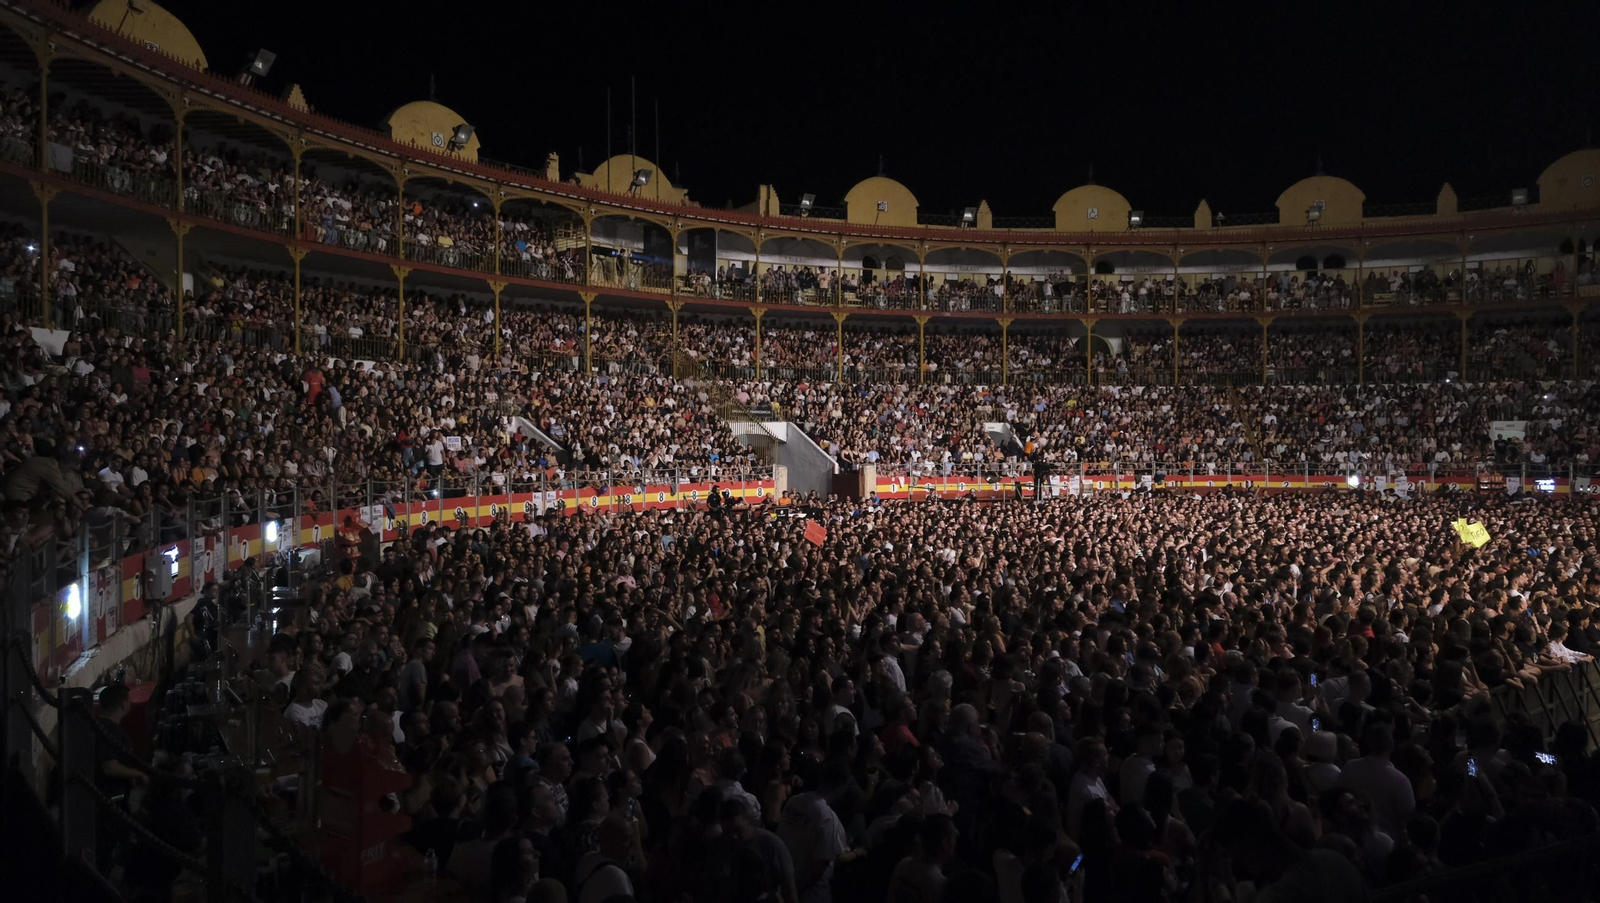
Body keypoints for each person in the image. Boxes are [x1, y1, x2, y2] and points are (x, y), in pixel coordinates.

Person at [778, 762, 851, 903]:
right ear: (842, 788)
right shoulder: (829, 819)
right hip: (809, 895)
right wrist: (794, 894)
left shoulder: (795, 800)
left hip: (782, 880)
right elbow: (818, 869)